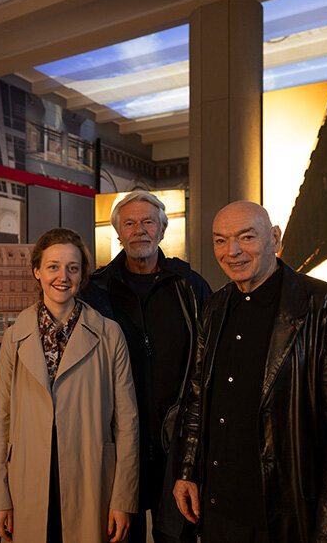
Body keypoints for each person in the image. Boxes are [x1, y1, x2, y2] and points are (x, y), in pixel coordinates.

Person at [170, 201, 327, 542]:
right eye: (220, 240)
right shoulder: (214, 308)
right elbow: (197, 399)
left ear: (275, 238)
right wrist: (187, 470)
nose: (232, 251)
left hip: (285, 519)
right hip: (216, 511)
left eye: (246, 237)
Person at [0, 227, 139, 543]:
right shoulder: (15, 337)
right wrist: (0, 497)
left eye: (72, 267)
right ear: (37, 271)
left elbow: (127, 424)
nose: (63, 276)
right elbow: (0, 422)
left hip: (90, 480)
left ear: (83, 274)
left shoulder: (109, 335)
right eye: (53, 266)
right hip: (28, 481)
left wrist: (123, 499)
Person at [81, 191, 210, 543]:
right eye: (130, 223)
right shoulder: (96, 291)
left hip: (176, 444)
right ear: (118, 233)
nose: (139, 230)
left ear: (163, 230)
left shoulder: (190, 286)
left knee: (178, 536)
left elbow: (209, 362)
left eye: (148, 222)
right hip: (120, 444)